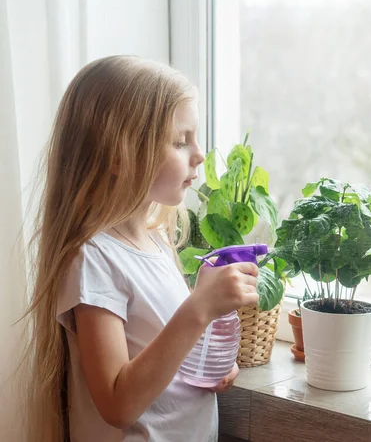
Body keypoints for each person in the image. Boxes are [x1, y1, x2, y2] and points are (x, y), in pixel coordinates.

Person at [20, 55, 259, 442]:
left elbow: (157, 353)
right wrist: (198, 308)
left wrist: (207, 363)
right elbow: (118, 404)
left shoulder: (157, 243)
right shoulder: (93, 260)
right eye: (181, 141)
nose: (199, 153)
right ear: (120, 155)